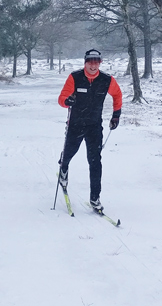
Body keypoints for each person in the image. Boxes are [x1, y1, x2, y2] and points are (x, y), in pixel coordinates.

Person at [57, 49, 122, 212]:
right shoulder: (75, 77)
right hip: (76, 124)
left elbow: (117, 95)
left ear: (100, 63)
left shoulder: (106, 80)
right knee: (68, 154)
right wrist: (68, 101)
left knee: (95, 162)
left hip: (94, 126)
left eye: (96, 62)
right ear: (85, 63)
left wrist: (116, 115)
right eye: (90, 62)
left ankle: (95, 198)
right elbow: (61, 99)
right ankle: (63, 170)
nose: (93, 66)